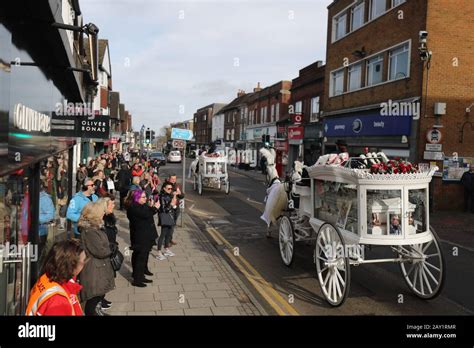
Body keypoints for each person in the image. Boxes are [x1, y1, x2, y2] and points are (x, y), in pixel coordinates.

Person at [26, 240, 85, 316]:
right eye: (83, 261)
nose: (84, 265)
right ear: (72, 265)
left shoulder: (47, 278)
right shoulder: (59, 302)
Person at [78, 199, 115, 316]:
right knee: (93, 299)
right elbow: (100, 251)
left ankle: (98, 312)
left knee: (98, 295)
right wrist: (112, 248)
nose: (103, 213)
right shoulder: (90, 231)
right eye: (101, 212)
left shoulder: (95, 228)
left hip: (99, 267)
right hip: (94, 269)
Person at [126, 190, 160, 287]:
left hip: (146, 235)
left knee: (142, 255)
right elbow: (145, 214)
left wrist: (150, 206)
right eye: (143, 197)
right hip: (140, 236)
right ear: (137, 198)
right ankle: (137, 279)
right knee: (140, 256)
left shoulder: (141, 205)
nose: (145, 198)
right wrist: (154, 208)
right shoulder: (133, 207)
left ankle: (140, 274)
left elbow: (147, 212)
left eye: (145, 196)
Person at [156, 182, 178, 261]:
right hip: (165, 217)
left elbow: (174, 206)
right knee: (163, 234)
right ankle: (158, 252)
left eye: (171, 189)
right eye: (168, 188)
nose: (170, 190)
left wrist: (174, 197)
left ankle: (166, 249)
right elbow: (164, 209)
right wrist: (171, 205)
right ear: (164, 188)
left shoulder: (170, 195)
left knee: (169, 234)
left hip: (171, 217)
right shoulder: (161, 196)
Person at [38, 182, 55, 264]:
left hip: (40, 232)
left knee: (39, 257)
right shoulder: (29, 196)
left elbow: (50, 215)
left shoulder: (45, 199)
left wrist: (34, 219)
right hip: (29, 231)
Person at [167, 174, 184, 246]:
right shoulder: (166, 185)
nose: (173, 180)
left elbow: (182, 196)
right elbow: (164, 194)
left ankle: (170, 239)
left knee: (173, 224)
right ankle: (167, 241)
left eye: (174, 179)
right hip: (169, 207)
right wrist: (172, 193)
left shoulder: (178, 185)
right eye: (172, 179)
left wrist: (180, 193)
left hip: (176, 207)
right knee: (168, 224)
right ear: (169, 179)